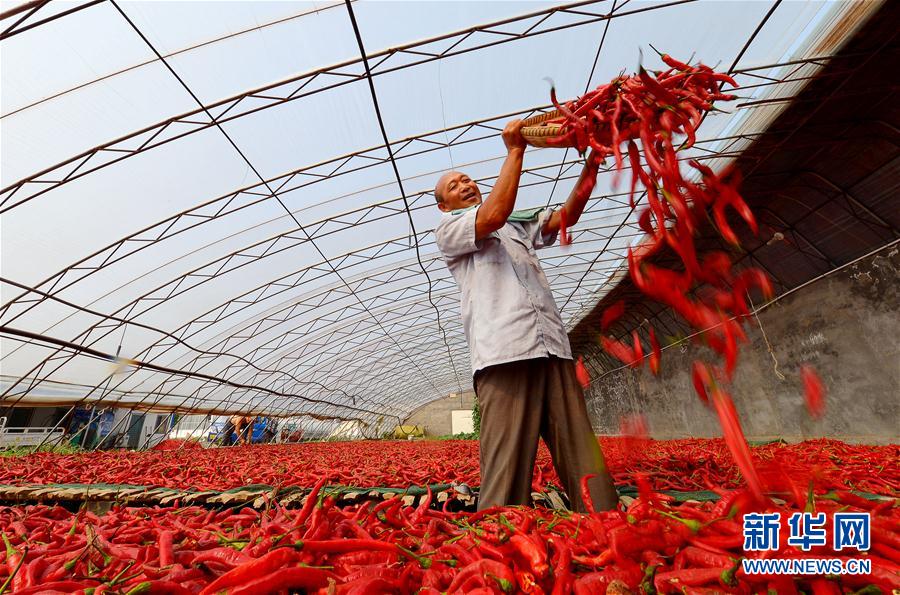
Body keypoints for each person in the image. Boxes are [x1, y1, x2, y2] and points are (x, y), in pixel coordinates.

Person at [433, 119, 617, 512]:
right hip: (505, 354)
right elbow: (495, 213)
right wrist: (516, 149)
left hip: (552, 349)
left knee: (584, 457)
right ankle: (500, 548)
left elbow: (566, 217)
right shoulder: (450, 230)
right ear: (443, 205)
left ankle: (607, 526)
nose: (465, 184)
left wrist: (594, 161)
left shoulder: (515, 226)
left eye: (467, 179)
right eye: (454, 186)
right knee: (507, 470)